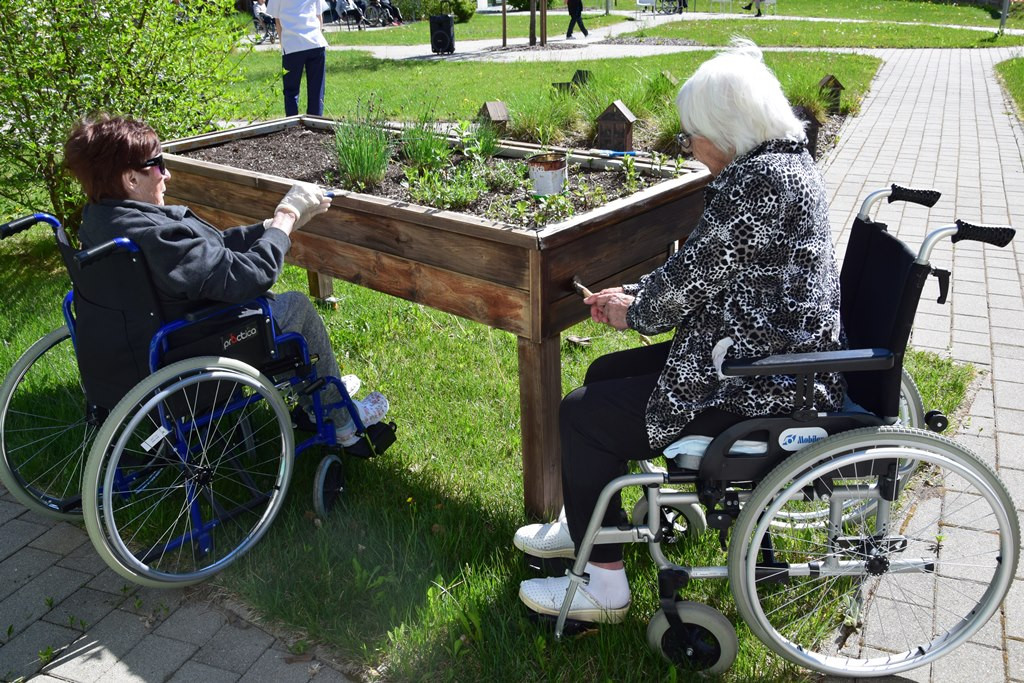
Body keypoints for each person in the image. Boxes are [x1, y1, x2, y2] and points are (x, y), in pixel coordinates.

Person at [513, 39, 845, 623]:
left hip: (758, 383)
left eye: (694, 135)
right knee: (604, 372)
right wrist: (638, 295)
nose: (689, 147)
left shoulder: (761, 186)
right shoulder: (784, 165)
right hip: (764, 356)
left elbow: (688, 285)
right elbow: (703, 271)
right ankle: (593, 523)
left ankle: (604, 585)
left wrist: (632, 310)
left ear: (729, 128)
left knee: (582, 414)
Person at [63, 114, 390, 446]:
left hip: (132, 353)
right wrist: (286, 215)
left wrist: (270, 228)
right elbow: (250, 277)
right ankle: (341, 420)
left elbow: (205, 253)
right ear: (131, 178)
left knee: (287, 307)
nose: (168, 174)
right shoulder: (158, 235)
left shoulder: (99, 220)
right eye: (158, 164)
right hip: (197, 344)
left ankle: (318, 388)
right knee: (298, 308)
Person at [267, 0, 330, 116]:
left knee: (291, 91)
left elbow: (278, 21)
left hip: (292, 44)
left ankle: (292, 126)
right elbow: (319, 16)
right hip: (315, 42)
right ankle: (315, 123)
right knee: (317, 89)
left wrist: (283, 45)